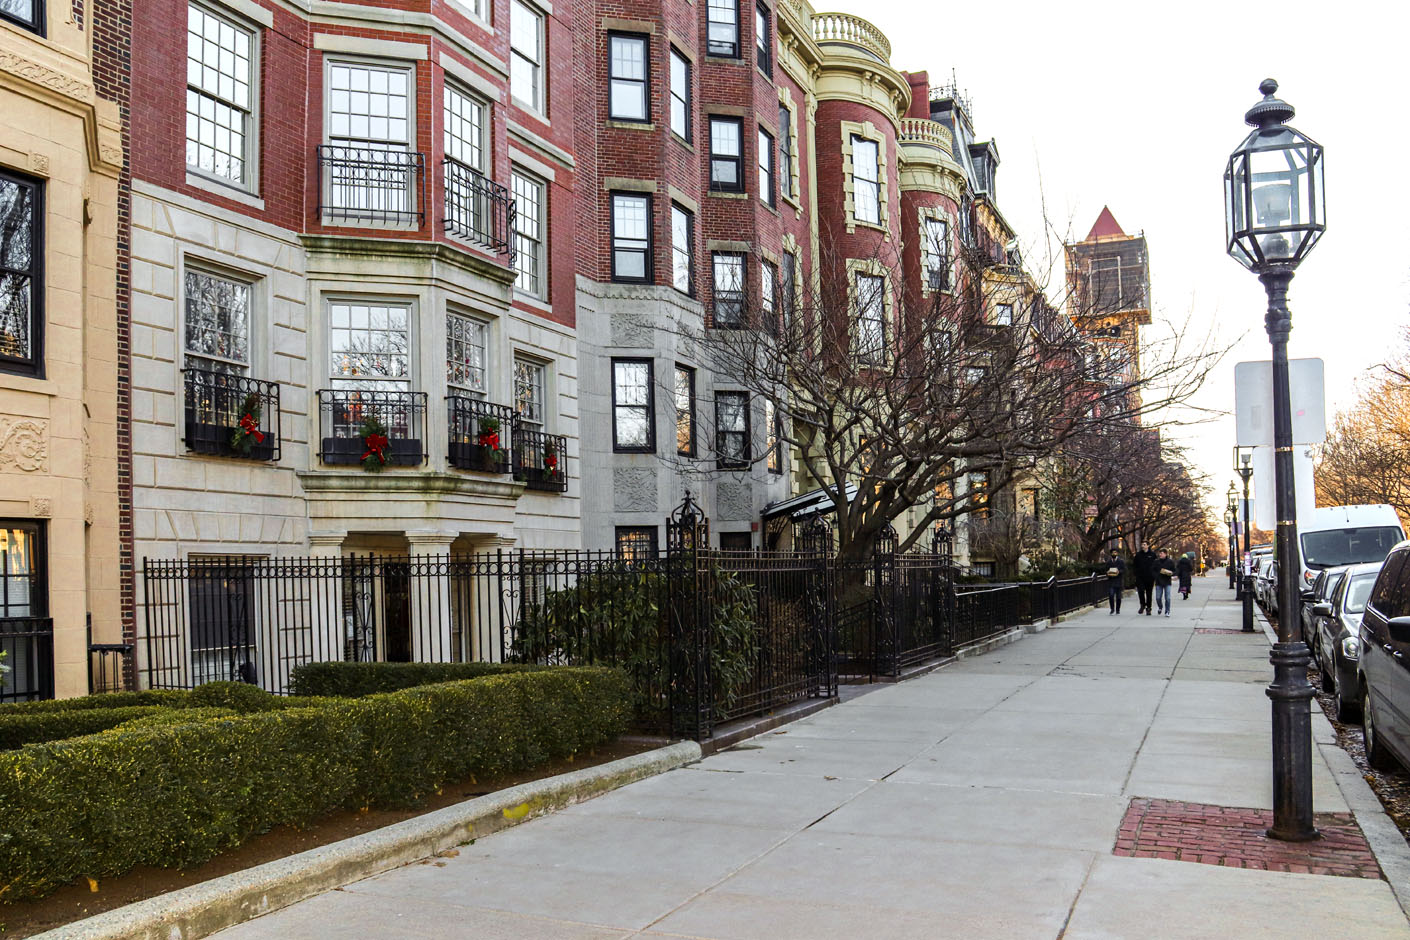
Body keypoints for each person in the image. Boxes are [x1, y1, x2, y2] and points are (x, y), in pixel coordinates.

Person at [1132, 542, 1157, 615]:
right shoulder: (1138, 555)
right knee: (1141, 591)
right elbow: (1134, 565)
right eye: (1142, 544)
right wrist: (1136, 574)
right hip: (1140, 577)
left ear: (1148, 546)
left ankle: (1148, 608)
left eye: (1144, 545)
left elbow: (1156, 565)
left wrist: (1154, 575)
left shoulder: (1152, 555)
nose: (1142, 546)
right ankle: (1142, 605)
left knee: (1149, 593)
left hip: (1150, 577)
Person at [1101, 549, 1127, 615]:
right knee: (1111, 595)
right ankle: (1112, 609)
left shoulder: (1121, 561)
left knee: (1118, 597)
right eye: (1113, 553)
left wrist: (1119, 571)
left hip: (1118, 581)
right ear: (1111, 554)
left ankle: (1118, 609)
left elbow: (1124, 569)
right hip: (1111, 581)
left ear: (1117, 553)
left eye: (1115, 552)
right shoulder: (1109, 562)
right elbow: (1106, 570)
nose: (1114, 554)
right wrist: (1107, 573)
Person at [1153, 550, 1176, 616]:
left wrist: (1171, 573)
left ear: (1165, 554)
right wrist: (1156, 576)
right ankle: (1160, 607)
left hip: (1167, 581)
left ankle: (1167, 611)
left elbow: (1174, 570)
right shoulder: (1156, 562)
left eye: (1162, 553)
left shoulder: (1170, 562)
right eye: (1159, 553)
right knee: (1158, 597)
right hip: (1159, 581)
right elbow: (1152, 570)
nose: (1160, 554)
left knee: (1168, 598)